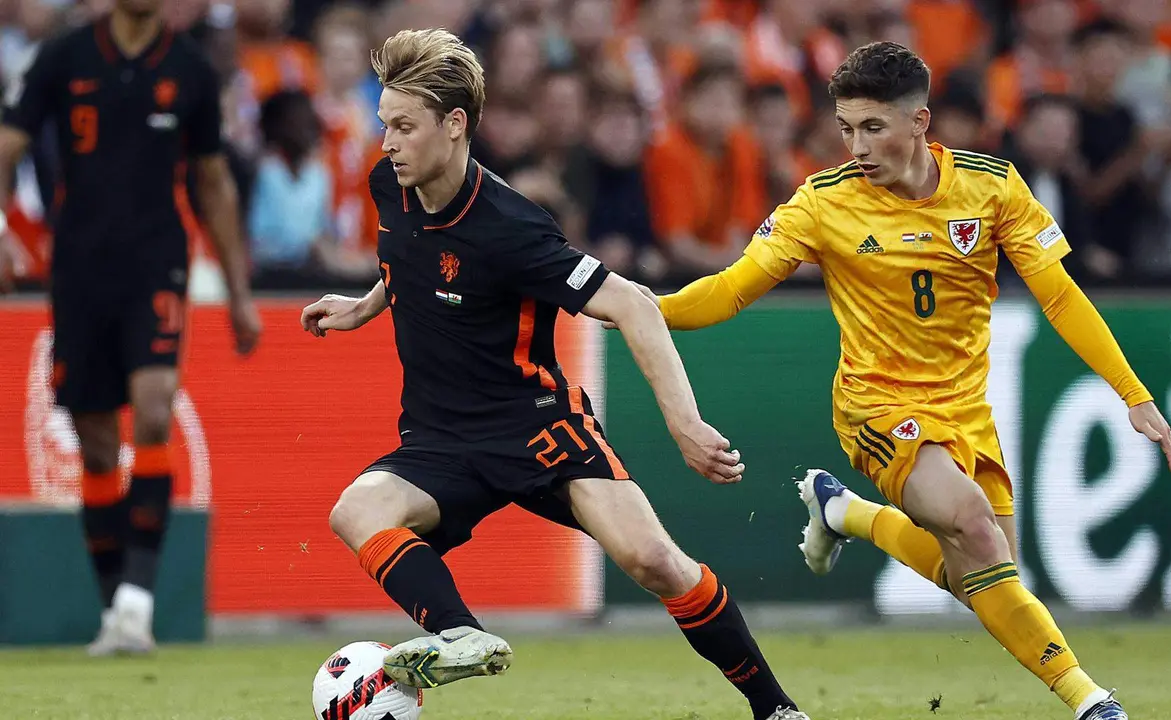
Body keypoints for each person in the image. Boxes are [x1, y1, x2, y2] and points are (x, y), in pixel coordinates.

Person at [641, 42, 1171, 720]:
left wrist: (1134, 396)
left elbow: (1061, 297)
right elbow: (729, 291)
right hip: (876, 406)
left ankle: (844, 513)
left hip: (965, 411)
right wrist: (639, 309)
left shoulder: (991, 187)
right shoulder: (823, 203)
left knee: (984, 580)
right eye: (845, 128)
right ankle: (1091, 700)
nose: (856, 145)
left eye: (872, 127)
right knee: (972, 526)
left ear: (920, 122)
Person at [298, 28, 809, 720]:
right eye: (384, 122)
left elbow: (632, 304)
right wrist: (365, 307)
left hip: (538, 428)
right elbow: (409, 261)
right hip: (442, 437)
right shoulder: (389, 184)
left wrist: (685, 424)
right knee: (355, 511)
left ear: (454, 126)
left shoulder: (512, 227)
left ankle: (776, 710)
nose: (385, 140)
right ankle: (461, 634)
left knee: (657, 563)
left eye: (403, 126)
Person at [0, 0, 261, 654]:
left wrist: (237, 292)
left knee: (152, 407)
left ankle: (139, 599)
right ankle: (115, 602)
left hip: (157, 265)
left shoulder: (191, 67)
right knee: (93, 441)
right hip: (80, 272)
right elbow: (6, 145)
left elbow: (211, 179)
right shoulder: (64, 56)